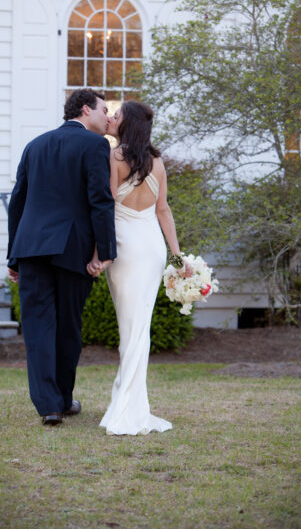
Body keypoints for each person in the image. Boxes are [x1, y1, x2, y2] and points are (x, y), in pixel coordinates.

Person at [7, 89, 116, 426]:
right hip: (72, 248)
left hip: (31, 247)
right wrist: (106, 252)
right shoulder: (95, 146)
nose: (107, 116)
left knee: (38, 328)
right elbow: (100, 200)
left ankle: (49, 406)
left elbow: (18, 201)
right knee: (68, 326)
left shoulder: (35, 145)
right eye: (104, 110)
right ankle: (63, 399)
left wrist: (13, 255)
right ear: (85, 109)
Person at [88, 100, 190, 436]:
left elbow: (104, 207)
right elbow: (164, 211)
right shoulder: (158, 162)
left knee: (131, 330)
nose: (112, 118)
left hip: (126, 248)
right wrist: (176, 256)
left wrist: (97, 253)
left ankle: (128, 411)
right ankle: (127, 403)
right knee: (137, 328)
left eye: (117, 116)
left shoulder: (115, 157)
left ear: (127, 123)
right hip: (152, 249)